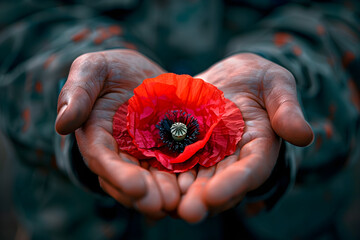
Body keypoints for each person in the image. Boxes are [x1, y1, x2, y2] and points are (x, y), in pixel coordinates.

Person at [0, 0, 359, 239]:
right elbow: (16, 24)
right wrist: (75, 78)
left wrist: (288, 73)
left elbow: (345, 20)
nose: (178, 131)